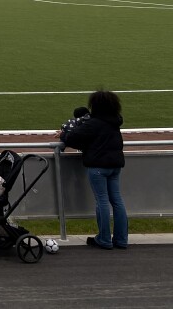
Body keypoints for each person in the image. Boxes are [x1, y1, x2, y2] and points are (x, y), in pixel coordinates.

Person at [62, 89, 128, 249]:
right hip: (115, 166)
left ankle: (104, 239)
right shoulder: (115, 122)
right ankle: (121, 240)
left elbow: (72, 138)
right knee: (117, 201)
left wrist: (64, 134)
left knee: (102, 201)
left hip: (98, 167)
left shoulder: (93, 123)